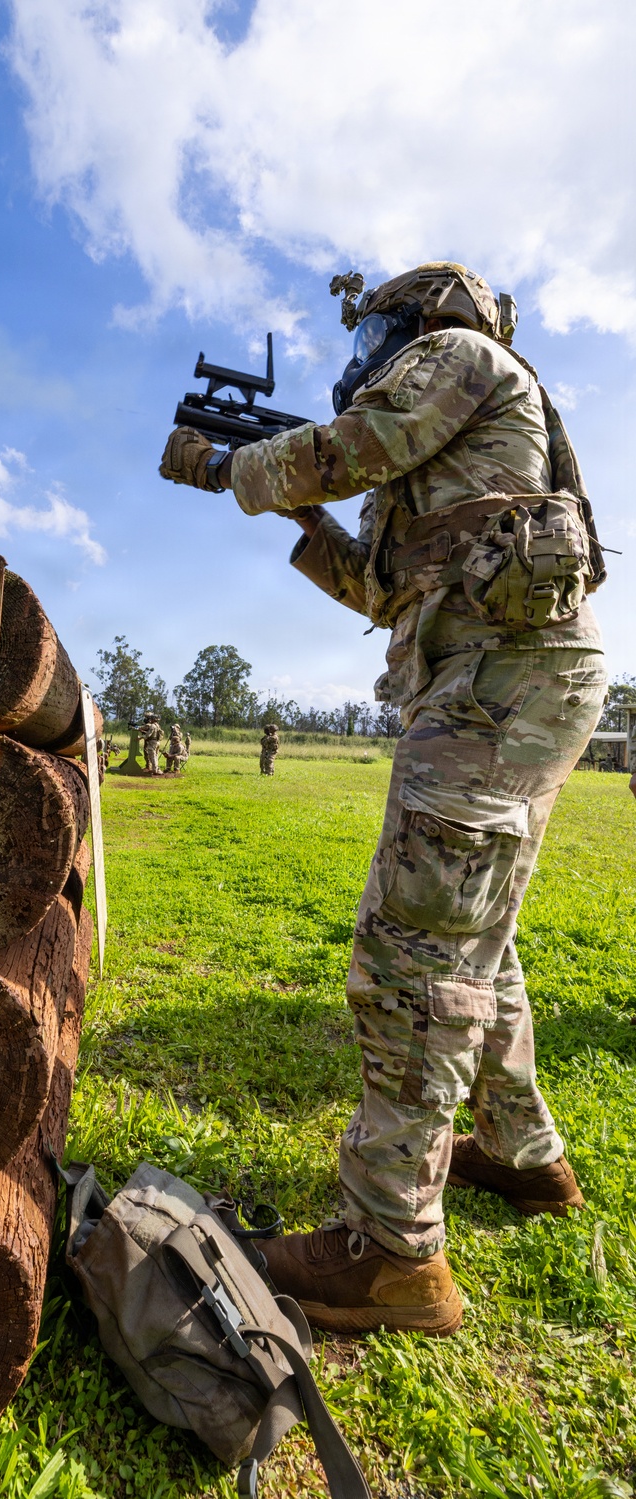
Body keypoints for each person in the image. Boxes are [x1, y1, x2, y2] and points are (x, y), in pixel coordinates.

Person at [161, 262, 607, 1337]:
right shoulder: (447, 435)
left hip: (500, 679)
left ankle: (392, 1251)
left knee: (412, 948)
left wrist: (229, 464)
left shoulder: (455, 358)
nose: (358, 360)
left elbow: (340, 449)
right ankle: (519, 1151)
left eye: (368, 334)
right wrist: (293, 514)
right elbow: (380, 587)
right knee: (473, 941)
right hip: (506, 676)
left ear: (410, 318)